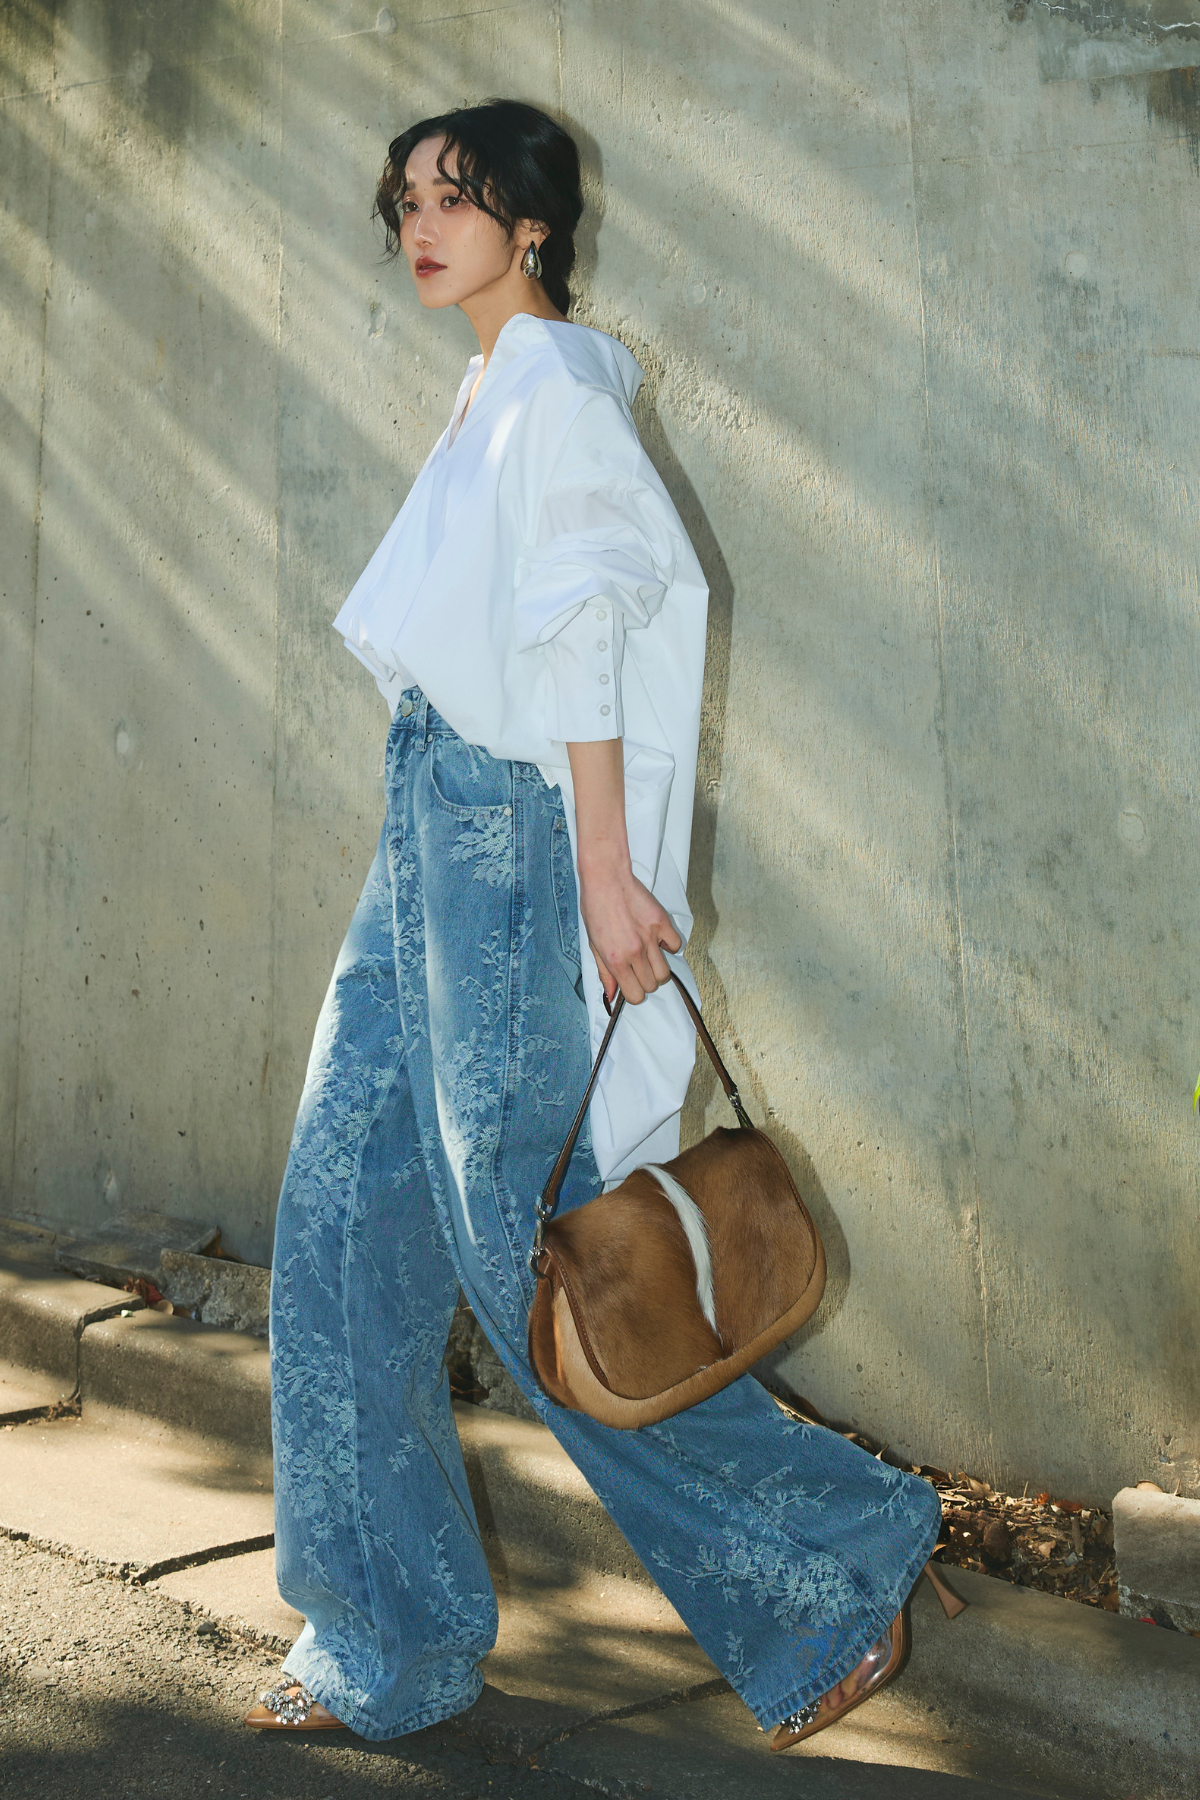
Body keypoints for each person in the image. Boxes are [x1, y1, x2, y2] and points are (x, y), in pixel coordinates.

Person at [244, 98, 949, 1753]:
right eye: (408, 199)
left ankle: (836, 1560)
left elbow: (584, 629)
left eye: (460, 196)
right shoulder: (495, 383)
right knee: (339, 1230)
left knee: (530, 1262)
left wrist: (606, 868)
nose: (424, 225)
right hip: (430, 822)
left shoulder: (555, 382)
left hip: (504, 832)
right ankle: (388, 1640)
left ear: (534, 224)